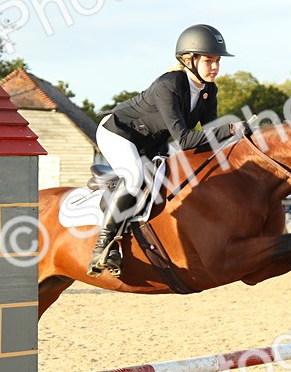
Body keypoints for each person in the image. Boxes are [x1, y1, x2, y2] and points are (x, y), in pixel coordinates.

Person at [90, 23, 248, 277]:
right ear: (189, 60)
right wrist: (230, 129)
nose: (216, 67)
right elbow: (185, 140)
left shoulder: (209, 90)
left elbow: (210, 136)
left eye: (218, 61)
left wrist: (241, 146)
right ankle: (103, 247)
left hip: (152, 142)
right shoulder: (170, 84)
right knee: (134, 176)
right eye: (209, 60)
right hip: (118, 133)